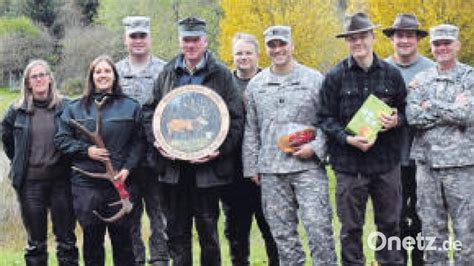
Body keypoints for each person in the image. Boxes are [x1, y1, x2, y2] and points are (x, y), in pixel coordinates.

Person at [142, 17, 244, 265]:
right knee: (176, 234)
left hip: (208, 172)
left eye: (195, 40)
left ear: (205, 41)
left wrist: (219, 150)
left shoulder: (221, 75)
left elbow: (236, 118)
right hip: (173, 171)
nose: (190, 45)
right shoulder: (167, 73)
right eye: (186, 40)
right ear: (180, 42)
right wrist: (157, 141)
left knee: (209, 233)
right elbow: (149, 113)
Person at [242, 25, 337, 265]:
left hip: (308, 169)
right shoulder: (256, 85)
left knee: (319, 231)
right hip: (272, 171)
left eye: (282, 44)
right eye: (272, 45)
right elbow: (251, 128)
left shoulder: (314, 79)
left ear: (292, 45)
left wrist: (315, 149)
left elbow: (328, 121)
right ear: (266, 49)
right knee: (283, 238)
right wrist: (252, 167)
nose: (277, 49)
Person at [318, 12, 406, 265]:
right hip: (348, 166)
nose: (358, 43)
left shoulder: (392, 74)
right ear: (347, 42)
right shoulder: (334, 77)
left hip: (386, 165)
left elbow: (406, 113)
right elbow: (325, 118)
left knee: (390, 226)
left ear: (372, 37)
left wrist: (396, 120)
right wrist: (347, 139)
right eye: (352, 39)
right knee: (350, 230)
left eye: (362, 37)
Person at [54, 55, 143, 266]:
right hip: (86, 187)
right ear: (91, 77)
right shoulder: (75, 108)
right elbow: (61, 139)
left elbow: (139, 143)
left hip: (120, 185)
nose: (103, 75)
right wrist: (87, 150)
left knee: (124, 244)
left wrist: (128, 168)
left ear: (114, 75)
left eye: (107, 71)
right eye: (98, 72)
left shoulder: (131, 106)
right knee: (92, 243)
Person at [406, 24, 474, 264]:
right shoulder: (420, 80)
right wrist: (452, 109)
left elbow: (468, 114)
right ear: (431, 47)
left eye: (447, 42)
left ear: (457, 45)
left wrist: (431, 105)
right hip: (428, 168)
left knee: (468, 234)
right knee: (433, 234)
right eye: (437, 43)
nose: (442, 47)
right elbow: (413, 117)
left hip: (463, 168)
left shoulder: (470, 77)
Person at [1, 59, 78, 266]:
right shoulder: (16, 111)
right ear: (27, 83)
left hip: (61, 182)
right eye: (34, 76)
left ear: (50, 79)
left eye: (43, 75)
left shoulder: (66, 106)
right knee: (36, 243)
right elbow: (8, 142)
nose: (39, 79)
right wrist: (21, 162)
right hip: (30, 185)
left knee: (67, 240)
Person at [220, 32, 279, 266]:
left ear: (257, 55)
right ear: (232, 56)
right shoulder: (225, 84)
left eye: (248, 53)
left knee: (272, 229)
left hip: (267, 168)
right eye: (239, 53)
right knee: (236, 232)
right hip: (232, 169)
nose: (243, 57)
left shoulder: (270, 80)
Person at [115, 16, 168, 266]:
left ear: (149, 38)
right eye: (133, 36)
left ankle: (159, 260)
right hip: (126, 163)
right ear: (125, 39)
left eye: (142, 36)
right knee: (130, 218)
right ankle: (135, 260)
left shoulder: (165, 70)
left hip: (159, 158)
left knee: (161, 217)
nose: (138, 41)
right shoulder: (114, 71)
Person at [382, 13, 435, 265]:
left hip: (426, 158)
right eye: (399, 35)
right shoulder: (379, 69)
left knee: (425, 217)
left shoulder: (431, 70)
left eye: (409, 35)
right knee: (394, 218)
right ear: (392, 38)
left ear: (417, 39)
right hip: (390, 159)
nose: (404, 40)